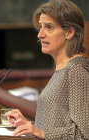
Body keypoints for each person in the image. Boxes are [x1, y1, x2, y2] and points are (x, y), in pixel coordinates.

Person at [6, 0, 89, 139]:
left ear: (69, 32)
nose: (40, 35)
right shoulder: (63, 70)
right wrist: (29, 125)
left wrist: (42, 133)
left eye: (49, 27)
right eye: (40, 27)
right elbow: (59, 123)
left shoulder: (76, 70)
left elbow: (84, 133)